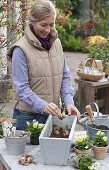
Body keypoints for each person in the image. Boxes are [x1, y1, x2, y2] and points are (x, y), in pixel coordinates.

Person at [7, 0, 80, 130]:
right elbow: (22, 88)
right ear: (32, 21)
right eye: (43, 25)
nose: (47, 30)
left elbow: (64, 75)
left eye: (51, 25)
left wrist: (68, 102)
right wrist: (43, 105)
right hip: (27, 117)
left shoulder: (56, 43)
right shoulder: (21, 49)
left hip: (52, 115)